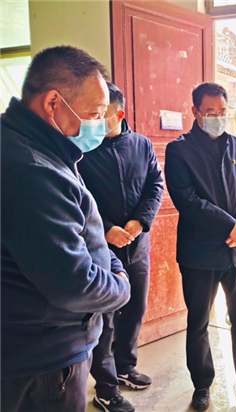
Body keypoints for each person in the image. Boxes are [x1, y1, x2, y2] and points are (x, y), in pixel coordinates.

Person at [1, 46, 131, 412]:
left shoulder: (41, 148)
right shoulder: (31, 170)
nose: (100, 125)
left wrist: (110, 262)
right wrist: (121, 286)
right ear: (53, 103)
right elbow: (73, 283)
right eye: (94, 113)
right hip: (43, 360)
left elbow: (77, 231)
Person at [164, 83, 236, 412]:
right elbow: (187, 200)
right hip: (199, 254)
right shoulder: (179, 150)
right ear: (195, 111)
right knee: (199, 323)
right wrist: (230, 226)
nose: (217, 118)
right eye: (210, 112)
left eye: (223, 112)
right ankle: (202, 385)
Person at [79, 83, 164, 412]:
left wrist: (141, 221)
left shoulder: (141, 145)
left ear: (119, 115)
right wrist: (105, 229)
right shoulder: (82, 149)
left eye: (102, 114)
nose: (95, 121)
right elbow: (79, 196)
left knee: (135, 310)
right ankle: (106, 387)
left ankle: (126, 366)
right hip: (102, 249)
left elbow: (155, 184)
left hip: (137, 245)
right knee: (104, 318)